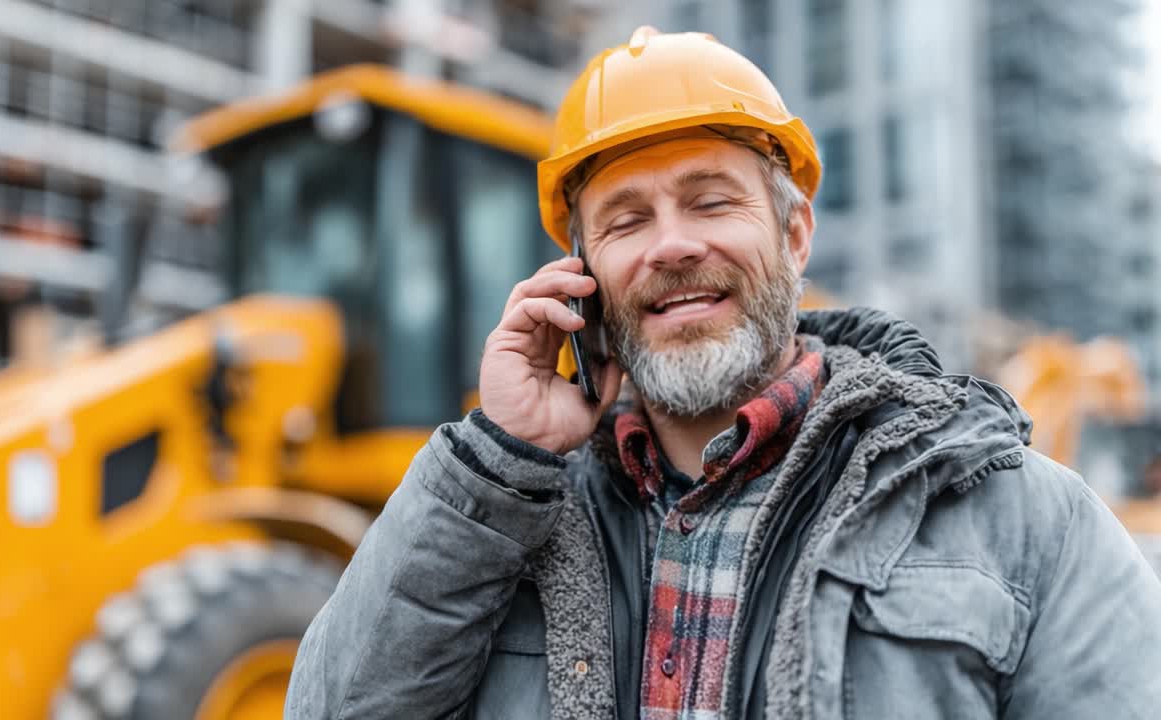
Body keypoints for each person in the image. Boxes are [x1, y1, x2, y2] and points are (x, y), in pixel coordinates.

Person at [286, 27, 1161, 720]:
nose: (672, 245)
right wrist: (495, 462)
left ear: (794, 237)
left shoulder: (1026, 525)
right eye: (627, 221)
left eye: (711, 201)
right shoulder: (501, 520)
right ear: (579, 277)